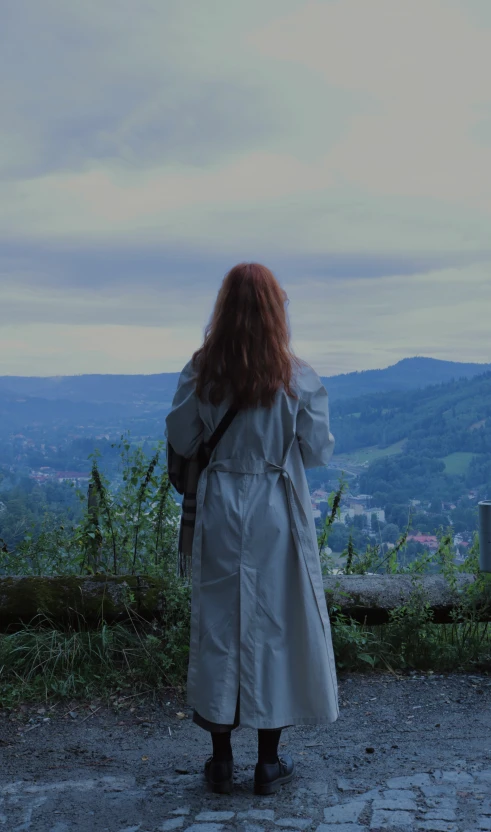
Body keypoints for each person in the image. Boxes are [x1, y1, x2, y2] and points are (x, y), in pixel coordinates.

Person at [165, 262, 339, 796]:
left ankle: (220, 762)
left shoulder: (201, 371)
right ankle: (268, 763)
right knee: (276, 626)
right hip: (274, 509)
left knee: (219, 625)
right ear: (274, 311)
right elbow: (317, 450)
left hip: (219, 506)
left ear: (224, 309)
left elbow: (183, 436)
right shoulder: (296, 374)